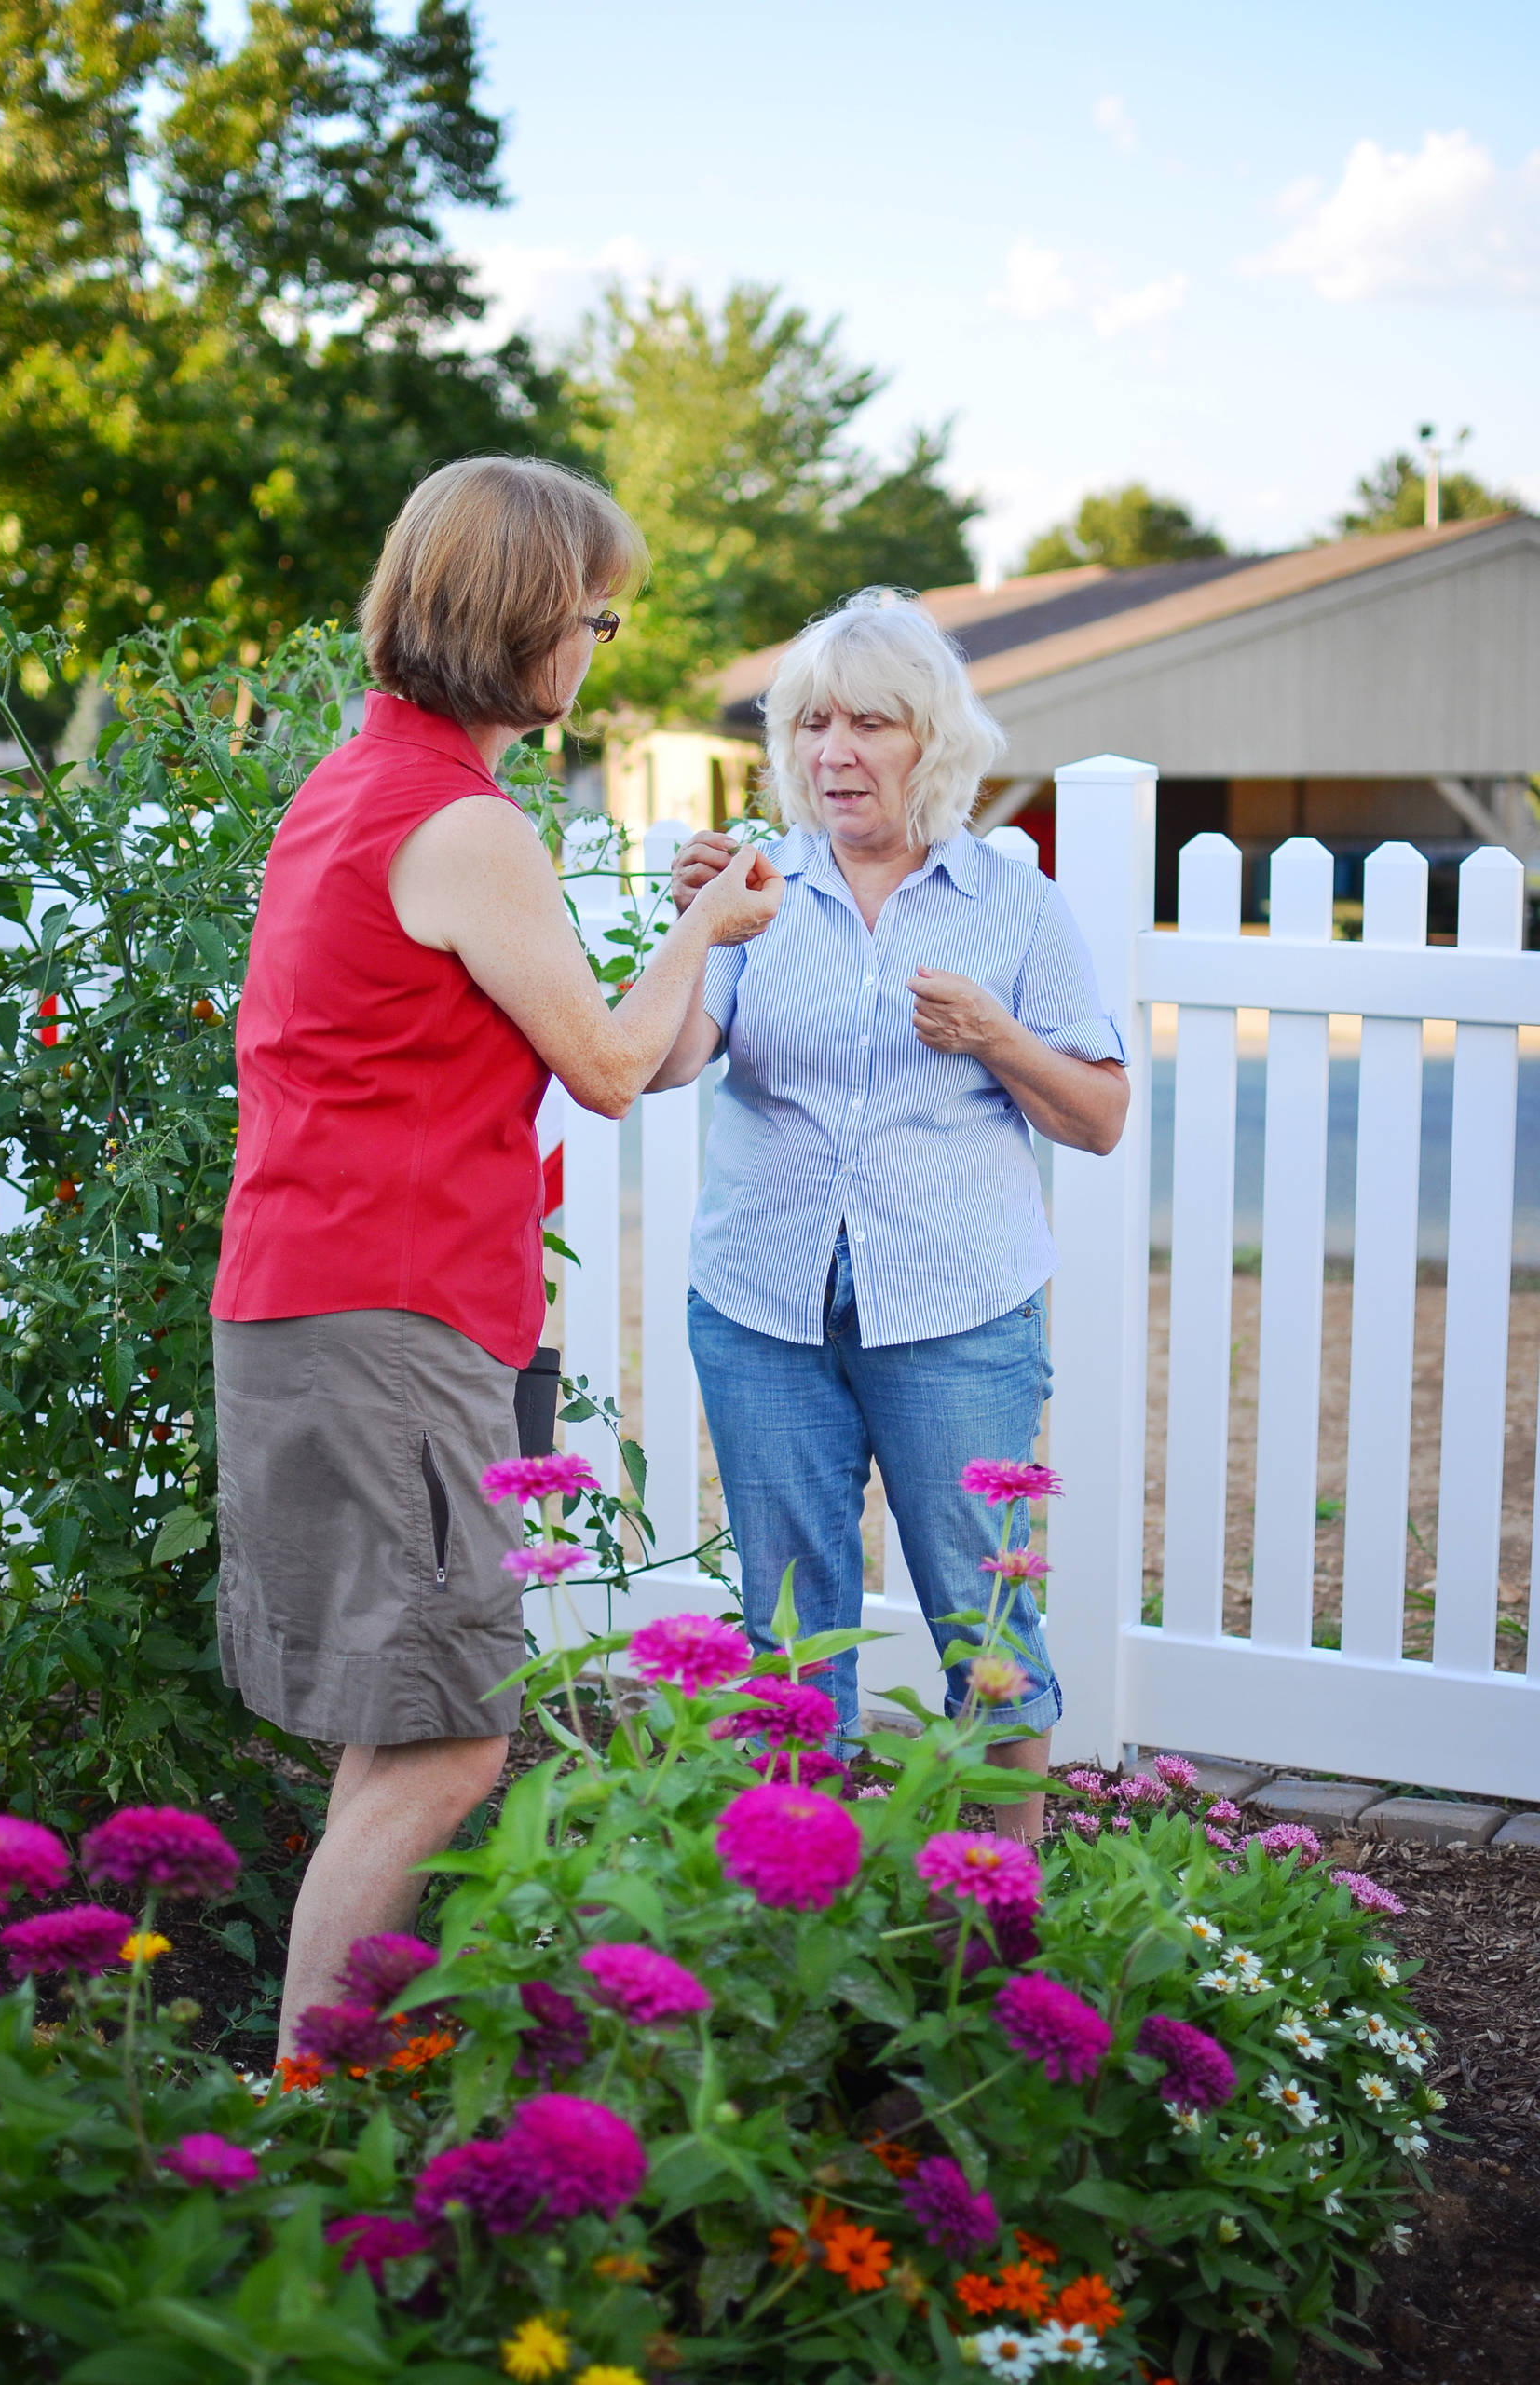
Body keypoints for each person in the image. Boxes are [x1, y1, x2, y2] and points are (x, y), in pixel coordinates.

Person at [211, 457, 782, 2053]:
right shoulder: (460, 823)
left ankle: (303, 2092)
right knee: (451, 1745)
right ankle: (301, 2113)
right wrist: (699, 937)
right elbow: (608, 1071)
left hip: (339, 1300)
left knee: (399, 1733)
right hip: (390, 1313)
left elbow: (633, 1053)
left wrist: (690, 944)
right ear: (524, 619)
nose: (603, 647)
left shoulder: (360, 783)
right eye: (597, 615)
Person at [652, 591, 1127, 1838]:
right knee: (791, 1637)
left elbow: (1097, 1116)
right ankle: (802, 1908)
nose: (835, 753)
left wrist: (996, 1036)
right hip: (763, 1306)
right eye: (813, 724)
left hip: (958, 1309)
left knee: (986, 1619)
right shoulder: (753, 890)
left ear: (933, 743)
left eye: (870, 723)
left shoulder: (1013, 904)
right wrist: (695, 922)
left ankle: (999, 1927)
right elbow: (664, 1060)